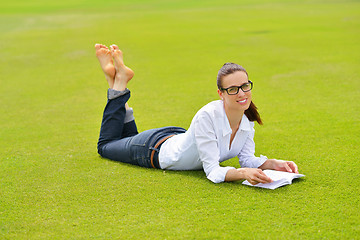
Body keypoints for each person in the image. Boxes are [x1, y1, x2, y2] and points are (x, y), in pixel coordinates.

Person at [95, 43, 299, 185]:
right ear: (221, 93)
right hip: (153, 150)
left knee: (124, 139)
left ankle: (115, 81)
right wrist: (243, 174)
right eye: (233, 89)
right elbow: (212, 171)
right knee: (105, 147)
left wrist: (273, 164)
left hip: (176, 136)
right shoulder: (208, 116)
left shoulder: (246, 118)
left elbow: (247, 159)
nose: (242, 93)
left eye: (245, 86)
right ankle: (118, 82)